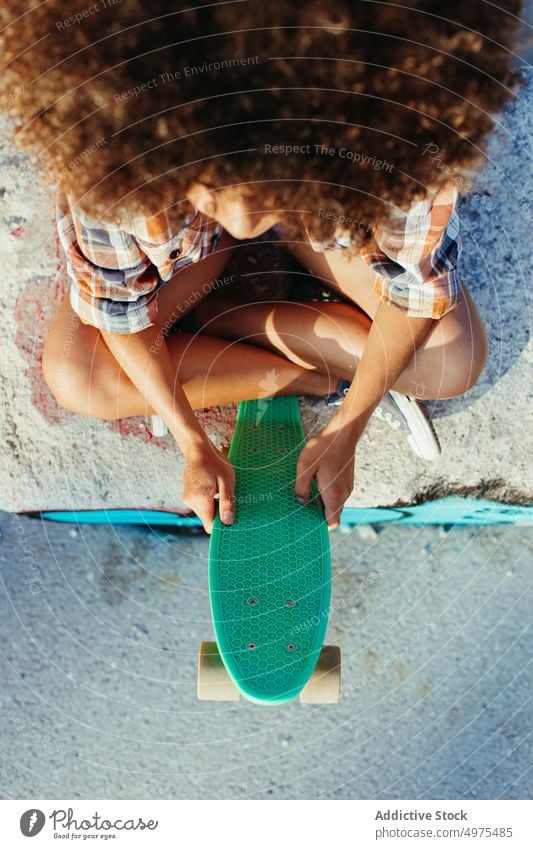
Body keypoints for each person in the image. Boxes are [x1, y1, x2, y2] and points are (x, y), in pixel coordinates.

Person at [1, 1, 521, 532]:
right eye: (211, 188)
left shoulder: (397, 125)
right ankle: (308, 376)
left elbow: (416, 288)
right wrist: (192, 442)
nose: (245, 222)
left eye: (264, 193)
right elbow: (117, 309)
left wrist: (348, 429)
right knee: (78, 376)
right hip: (198, 241)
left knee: (453, 363)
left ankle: (222, 326)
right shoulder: (109, 139)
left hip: (316, 198)